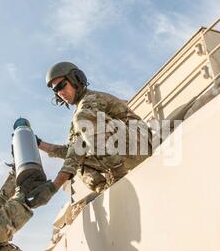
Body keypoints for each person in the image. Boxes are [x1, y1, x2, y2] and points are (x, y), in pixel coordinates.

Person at [35, 61, 151, 197]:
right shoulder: (80, 118)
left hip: (141, 144)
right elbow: (72, 153)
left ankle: (117, 174)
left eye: (62, 86)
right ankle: (102, 188)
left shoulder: (90, 101)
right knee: (76, 159)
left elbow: (83, 125)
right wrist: (39, 144)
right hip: (127, 155)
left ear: (75, 80)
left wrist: (55, 185)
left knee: (81, 123)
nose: (60, 93)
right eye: (56, 90)